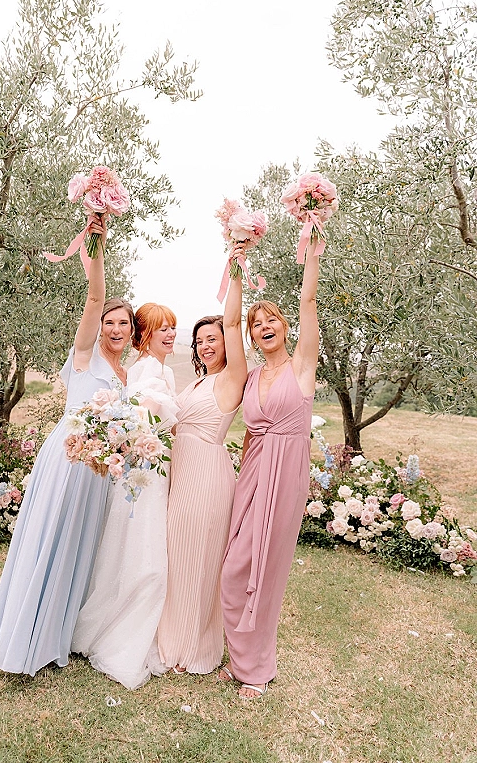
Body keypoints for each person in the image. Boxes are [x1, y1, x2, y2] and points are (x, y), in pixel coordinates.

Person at [0, 218, 135, 675]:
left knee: (79, 546)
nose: (116, 327)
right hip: (68, 458)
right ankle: (23, 638)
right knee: (50, 539)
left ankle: (57, 636)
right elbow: (94, 296)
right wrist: (98, 243)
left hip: (99, 469)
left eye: (124, 322)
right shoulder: (84, 357)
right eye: (110, 321)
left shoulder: (127, 376)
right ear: (100, 325)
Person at [220, 239, 320, 698]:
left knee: (267, 570)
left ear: (284, 326)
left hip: (287, 475)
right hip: (254, 470)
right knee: (234, 567)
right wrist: (236, 262)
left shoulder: (302, 365)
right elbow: (231, 320)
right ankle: (240, 657)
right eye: (257, 324)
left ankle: (256, 670)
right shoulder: (253, 376)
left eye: (271, 320)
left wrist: (312, 254)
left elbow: (309, 302)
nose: (263, 327)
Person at [71, 303, 178, 689]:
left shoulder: (159, 368)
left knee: (134, 551)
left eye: (173, 328)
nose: (170, 335)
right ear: (143, 335)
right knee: (146, 558)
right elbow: (142, 415)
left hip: (154, 472)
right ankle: (124, 638)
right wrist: (152, 431)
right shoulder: (146, 369)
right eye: (161, 328)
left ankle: (110, 625)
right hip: (145, 475)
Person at [157, 246, 247, 675]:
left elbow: (231, 320)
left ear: (227, 345)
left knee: (200, 558)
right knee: (176, 555)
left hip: (208, 476)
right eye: (200, 340)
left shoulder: (232, 379)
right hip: (180, 475)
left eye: (213, 339)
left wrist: (235, 263)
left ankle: (192, 647)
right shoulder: (196, 383)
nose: (206, 345)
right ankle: (168, 636)